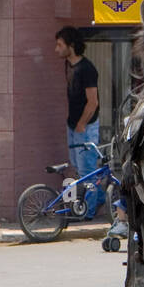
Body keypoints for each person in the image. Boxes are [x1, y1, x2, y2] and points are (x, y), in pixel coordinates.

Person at [54, 26, 106, 220]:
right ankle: (99, 199)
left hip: (85, 126)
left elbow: (93, 101)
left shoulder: (87, 69)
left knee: (87, 171)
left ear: (71, 46)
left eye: (60, 45)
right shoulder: (69, 65)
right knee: (77, 168)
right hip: (73, 124)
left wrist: (82, 124)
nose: (56, 49)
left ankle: (88, 212)